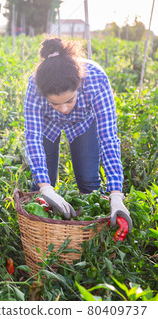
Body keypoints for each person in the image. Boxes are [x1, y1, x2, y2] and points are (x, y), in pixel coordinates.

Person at [23, 37, 132, 232]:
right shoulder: (35, 85)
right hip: (48, 124)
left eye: (69, 100)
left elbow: (108, 138)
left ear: (79, 85)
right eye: (55, 103)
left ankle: (88, 231)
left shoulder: (96, 79)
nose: (64, 109)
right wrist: (46, 187)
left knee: (89, 181)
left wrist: (116, 194)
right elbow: (33, 138)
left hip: (83, 122)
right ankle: (37, 228)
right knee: (42, 183)